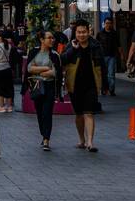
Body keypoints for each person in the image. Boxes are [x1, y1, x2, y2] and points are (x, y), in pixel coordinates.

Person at [61, 20, 106, 152]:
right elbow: (63, 59)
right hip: (75, 85)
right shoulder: (71, 45)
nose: (82, 35)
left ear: (89, 31)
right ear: (75, 33)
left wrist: (105, 84)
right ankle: (82, 139)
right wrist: (73, 50)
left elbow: (101, 64)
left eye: (84, 32)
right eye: (79, 32)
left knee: (89, 113)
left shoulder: (95, 45)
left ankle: (90, 142)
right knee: (79, 114)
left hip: (91, 84)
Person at [23, 29, 62, 149]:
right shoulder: (34, 52)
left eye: (52, 38)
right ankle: (43, 134)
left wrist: (38, 69)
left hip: (49, 87)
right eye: (49, 38)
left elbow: (55, 72)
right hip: (37, 86)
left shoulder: (55, 55)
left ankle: (46, 139)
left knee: (47, 112)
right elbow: (29, 68)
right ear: (42, 40)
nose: (52, 40)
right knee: (39, 113)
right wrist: (45, 68)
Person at [0, 28, 15, 112]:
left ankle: (1, 106)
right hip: (7, 69)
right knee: (8, 87)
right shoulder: (9, 45)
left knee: (0, 88)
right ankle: (9, 106)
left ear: (0, 37)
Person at [98, 17, 119, 95]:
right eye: (106, 23)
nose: (108, 25)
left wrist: (122, 55)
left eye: (109, 23)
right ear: (104, 24)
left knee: (111, 74)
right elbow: (97, 45)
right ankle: (104, 89)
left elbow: (118, 45)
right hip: (102, 56)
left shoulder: (114, 33)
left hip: (112, 56)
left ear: (112, 24)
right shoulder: (100, 33)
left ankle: (111, 89)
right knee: (103, 74)